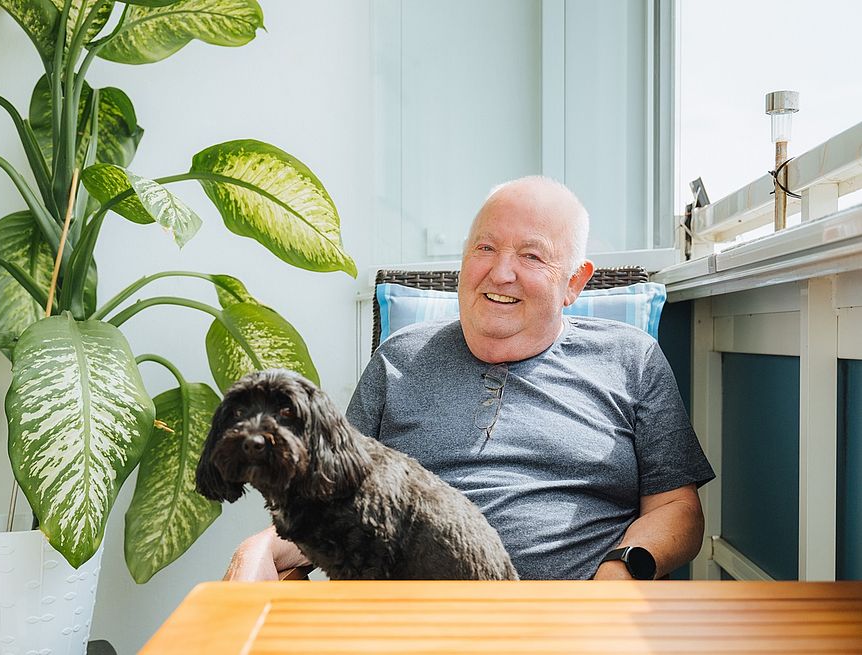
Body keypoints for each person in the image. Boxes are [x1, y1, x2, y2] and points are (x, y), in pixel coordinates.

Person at [223, 176, 714, 581]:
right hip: (409, 621)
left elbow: (679, 511)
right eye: (486, 247)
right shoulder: (399, 358)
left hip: (574, 618)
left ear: (574, 283)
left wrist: (622, 570)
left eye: (532, 256)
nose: (501, 272)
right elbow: (328, 499)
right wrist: (261, 550)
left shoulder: (631, 358)